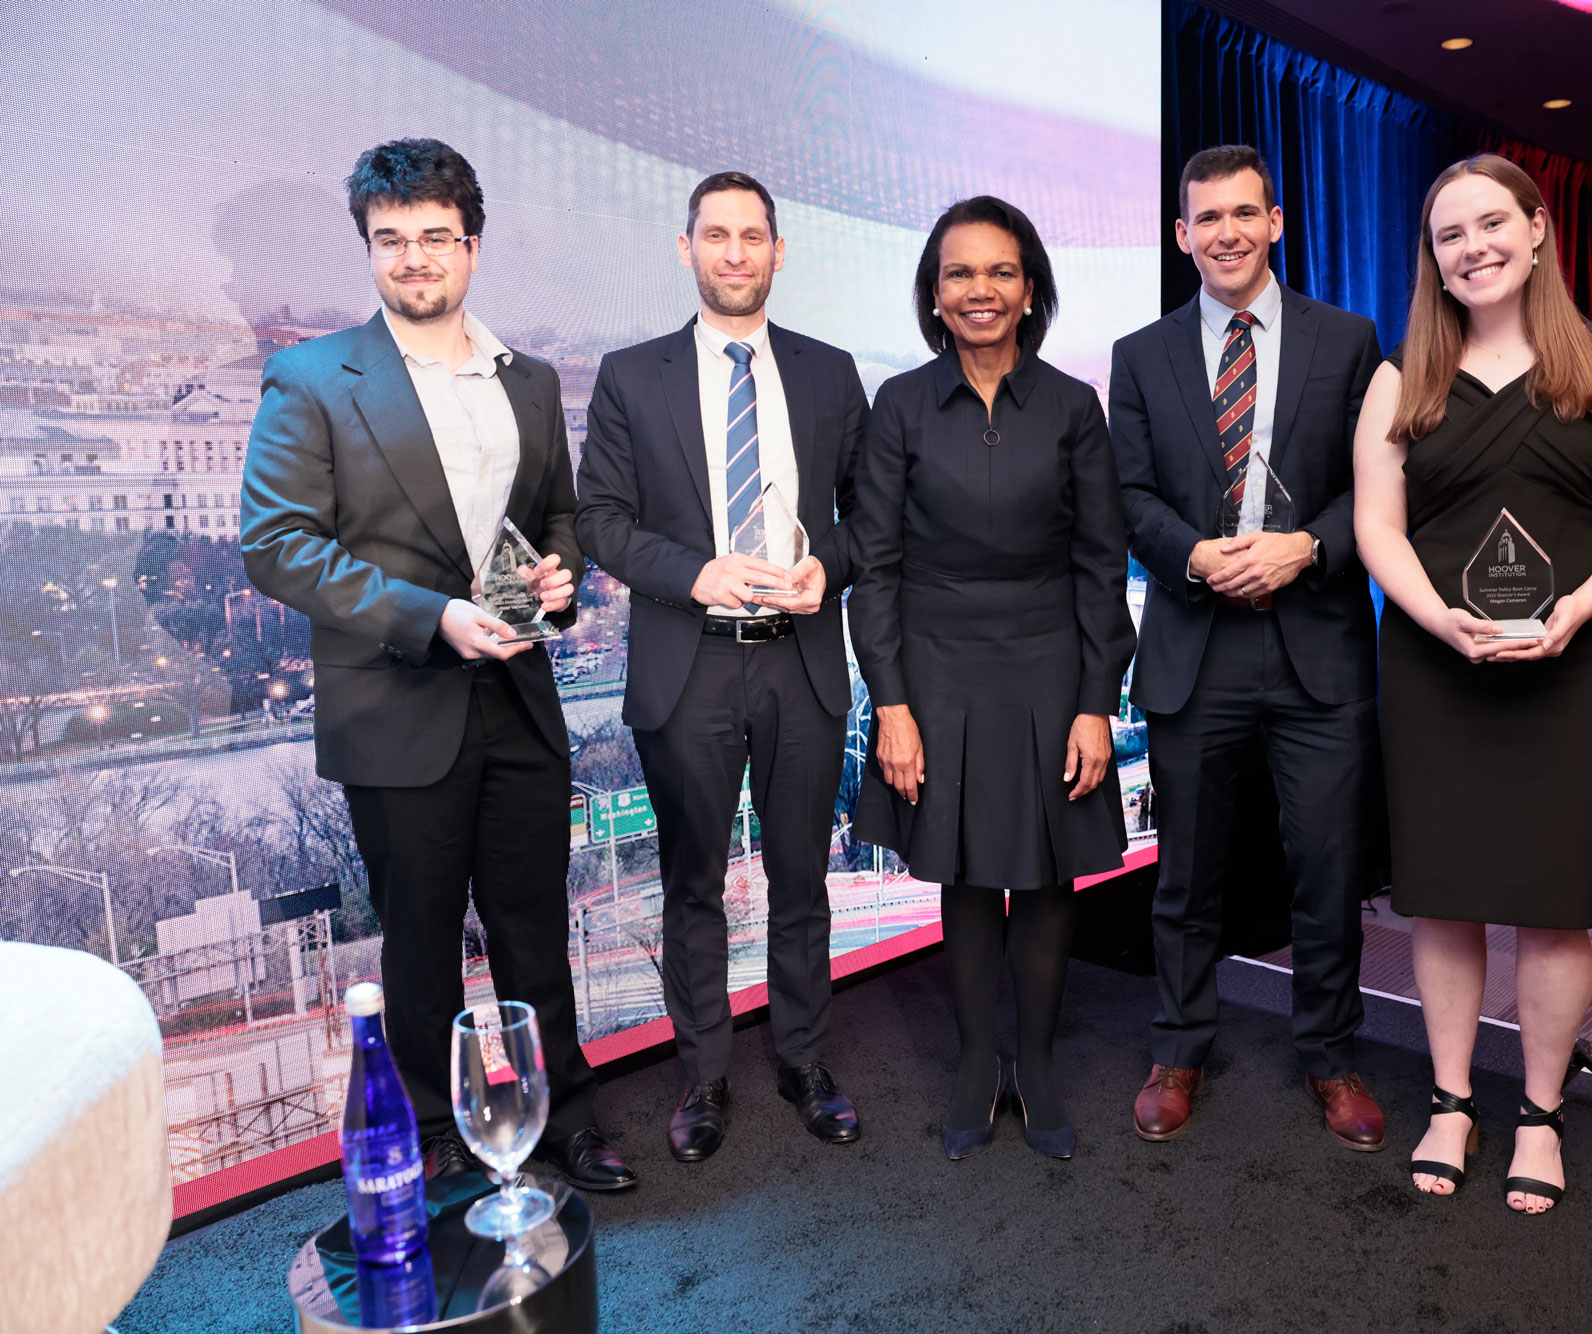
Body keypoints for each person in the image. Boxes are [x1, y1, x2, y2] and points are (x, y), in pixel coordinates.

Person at [240, 138, 635, 1191]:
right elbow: (276, 543)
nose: (414, 259)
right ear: (368, 248)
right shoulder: (314, 376)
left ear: (472, 244)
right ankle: (431, 1137)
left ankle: (564, 1116)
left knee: (535, 929)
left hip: (517, 692)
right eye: (391, 240)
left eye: (434, 238)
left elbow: (552, 515)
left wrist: (560, 575)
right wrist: (433, 618)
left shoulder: (534, 379)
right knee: (418, 948)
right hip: (397, 699)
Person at [1352, 153, 1592, 1212]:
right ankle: (1450, 1098)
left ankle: (1536, 1113)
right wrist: (1435, 619)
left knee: (1552, 905)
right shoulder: (1401, 372)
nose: (1472, 247)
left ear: (1538, 230)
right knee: (1441, 899)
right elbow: (1373, 525)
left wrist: (1574, 609)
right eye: (1448, 234)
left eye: (1491, 223)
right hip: (1433, 666)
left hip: (1578, 669)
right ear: (1431, 259)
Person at [574, 171, 870, 1162]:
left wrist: (826, 564)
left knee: (801, 879)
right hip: (688, 663)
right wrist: (697, 571)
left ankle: (802, 1061)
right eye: (716, 235)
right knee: (691, 881)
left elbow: (870, 516)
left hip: (801, 665)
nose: (735, 252)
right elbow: (603, 523)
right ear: (685, 248)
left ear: (779, 252)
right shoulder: (629, 374)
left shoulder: (831, 373)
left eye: (753, 236)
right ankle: (700, 1079)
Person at [1108, 145, 1388, 1151]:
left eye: (1243, 212)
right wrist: (1193, 555)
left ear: (1275, 222)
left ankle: (1330, 1054)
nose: (1225, 231)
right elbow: (1128, 497)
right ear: (1182, 235)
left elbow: (1375, 490)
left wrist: (1306, 546)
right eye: (1204, 218)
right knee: (1187, 876)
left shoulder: (1349, 341)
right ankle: (1177, 1045)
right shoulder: (1139, 356)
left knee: (1325, 867)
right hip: (1195, 647)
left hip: (1315, 648)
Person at [849, 196, 1134, 1160]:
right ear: (934, 295)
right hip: (934, 669)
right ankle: (980, 1064)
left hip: (1052, 665)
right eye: (960, 273)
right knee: (967, 873)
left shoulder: (1071, 405)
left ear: (1029, 290)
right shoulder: (898, 405)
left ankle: (1039, 1066)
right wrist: (891, 703)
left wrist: (1098, 703)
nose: (981, 290)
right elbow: (875, 567)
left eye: (1001, 272)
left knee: (1047, 876)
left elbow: (1101, 564)